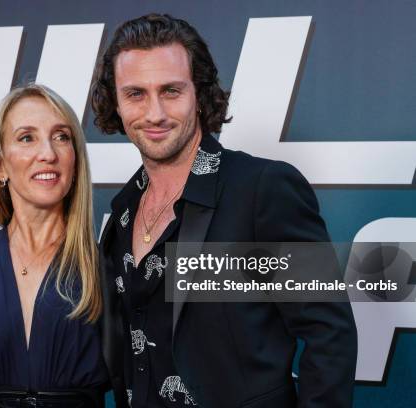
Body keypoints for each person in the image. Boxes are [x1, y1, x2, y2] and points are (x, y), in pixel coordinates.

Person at [91, 14, 357, 408]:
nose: (155, 113)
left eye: (171, 90)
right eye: (135, 94)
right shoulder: (122, 213)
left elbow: (330, 335)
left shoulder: (263, 189)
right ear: (115, 101)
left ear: (199, 93)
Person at [0, 83, 108, 408]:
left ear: (75, 160)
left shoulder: (109, 268)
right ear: (0, 166)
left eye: (61, 137)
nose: (48, 153)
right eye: (27, 137)